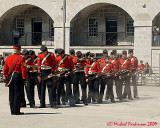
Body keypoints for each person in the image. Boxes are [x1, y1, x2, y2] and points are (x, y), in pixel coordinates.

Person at [3, 45, 27, 115]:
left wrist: (6, 76)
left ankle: (12, 110)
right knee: (18, 93)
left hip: (10, 76)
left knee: (11, 93)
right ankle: (16, 110)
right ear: (19, 50)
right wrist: (24, 78)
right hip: (18, 76)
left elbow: (5, 69)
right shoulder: (21, 58)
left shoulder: (8, 58)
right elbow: (23, 69)